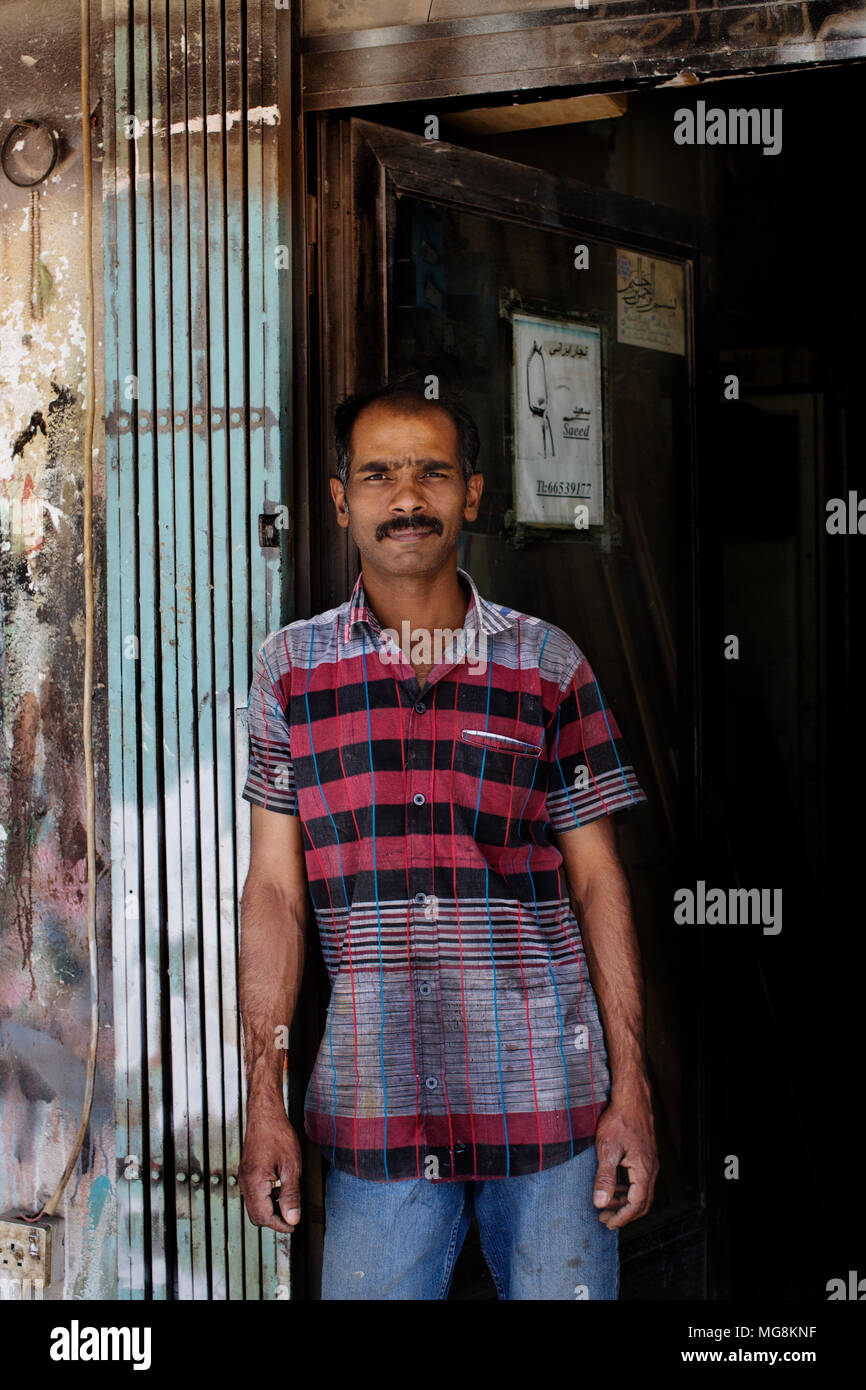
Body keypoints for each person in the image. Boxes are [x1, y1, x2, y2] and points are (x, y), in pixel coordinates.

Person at [237, 381, 658, 1300]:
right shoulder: (292, 674)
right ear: (343, 499)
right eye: (379, 474)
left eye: (433, 472)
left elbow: (599, 883)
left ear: (471, 493)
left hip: (552, 1109)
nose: (407, 497)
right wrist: (262, 1102)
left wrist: (634, 1087)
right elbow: (274, 891)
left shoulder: (548, 665)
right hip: (376, 1114)